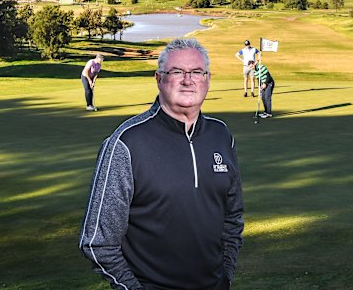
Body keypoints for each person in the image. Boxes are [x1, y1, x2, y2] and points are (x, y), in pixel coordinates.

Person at [79, 38, 244, 290]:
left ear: (207, 79)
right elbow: (97, 242)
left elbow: (232, 218)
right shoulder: (126, 143)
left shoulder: (221, 135)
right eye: (177, 71)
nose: (188, 80)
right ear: (159, 79)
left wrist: (226, 277)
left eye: (197, 72)